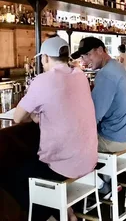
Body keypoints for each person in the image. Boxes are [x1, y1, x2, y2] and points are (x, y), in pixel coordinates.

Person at [3, 36, 98, 221]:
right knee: (29, 163)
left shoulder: (43, 80)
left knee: (8, 174)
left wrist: (34, 112)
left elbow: (16, 117)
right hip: (89, 159)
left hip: (65, 166)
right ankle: (65, 211)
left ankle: (51, 215)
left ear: (45, 57)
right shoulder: (80, 76)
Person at [71, 37, 126, 197]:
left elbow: (93, 116)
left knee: (70, 147)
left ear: (100, 50)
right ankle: (106, 178)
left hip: (116, 140)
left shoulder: (106, 75)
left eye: (88, 54)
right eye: (83, 57)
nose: (85, 60)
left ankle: (102, 186)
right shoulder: (119, 67)